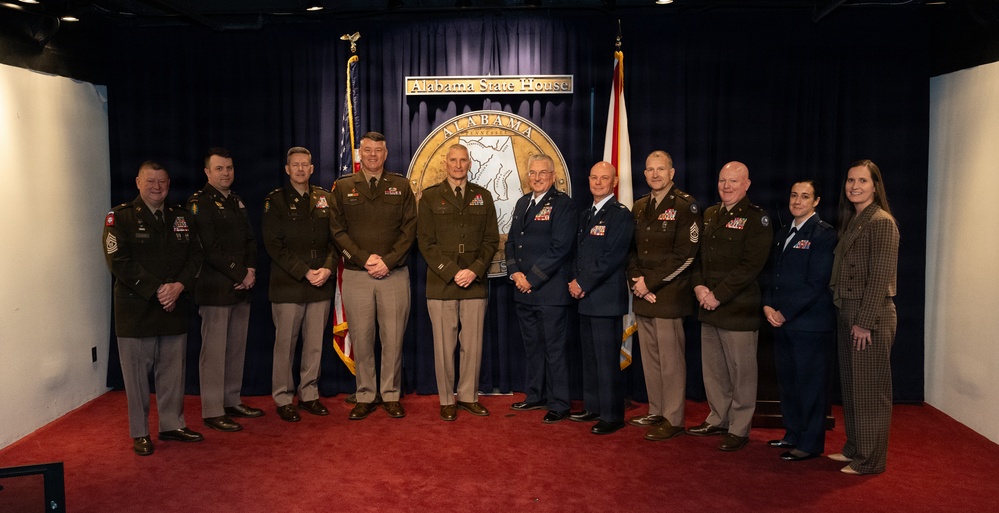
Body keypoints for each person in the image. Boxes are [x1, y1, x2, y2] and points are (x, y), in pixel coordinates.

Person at [103, 161, 204, 455]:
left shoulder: (181, 217)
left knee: (173, 372)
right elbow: (118, 260)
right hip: (137, 310)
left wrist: (179, 286)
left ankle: (172, 424)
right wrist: (157, 289)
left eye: (162, 182)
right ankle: (140, 432)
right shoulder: (119, 218)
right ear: (138, 182)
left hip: (174, 305)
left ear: (169, 184)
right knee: (136, 377)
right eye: (150, 181)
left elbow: (196, 256)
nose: (157, 187)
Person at [330, 131, 417, 420]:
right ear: (359, 154)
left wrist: (388, 261)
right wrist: (364, 258)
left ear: (386, 153)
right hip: (357, 275)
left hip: (393, 274)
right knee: (362, 338)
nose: (372, 155)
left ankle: (391, 394)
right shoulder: (343, 187)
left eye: (378, 150)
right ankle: (366, 394)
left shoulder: (401, 186)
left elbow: (409, 231)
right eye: (367, 150)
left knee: (393, 339)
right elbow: (337, 231)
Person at [688, 161, 772, 451]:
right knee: (713, 370)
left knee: (741, 372)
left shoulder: (756, 218)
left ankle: (739, 427)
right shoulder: (710, 214)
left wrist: (717, 295)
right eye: (723, 180)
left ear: (746, 184)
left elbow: (751, 266)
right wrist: (699, 287)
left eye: (733, 181)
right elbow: (697, 256)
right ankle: (718, 417)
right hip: (707, 304)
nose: (726, 186)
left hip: (737, 308)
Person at [417, 143, 499, 421]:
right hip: (441, 282)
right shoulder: (429, 198)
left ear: (469, 163)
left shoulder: (483, 196)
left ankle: (468, 396)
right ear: (445, 163)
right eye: (453, 160)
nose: (458, 165)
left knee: (472, 345)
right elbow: (425, 243)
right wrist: (453, 271)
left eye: (463, 160)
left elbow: (490, 241)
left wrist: (474, 270)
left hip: (475, 282)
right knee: (443, 345)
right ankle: (446, 399)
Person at [828, 159, 899, 475]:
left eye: (862, 181)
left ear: (875, 186)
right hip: (848, 312)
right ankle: (855, 449)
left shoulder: (881, 222)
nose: (854, 186)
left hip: (869, 317)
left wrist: (864, 322)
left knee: (871, 392)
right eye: (850, 180)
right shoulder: (856, 219)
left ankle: (871, 461)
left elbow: (880, 277)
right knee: (853, 388)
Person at [187, 147, 263, 433]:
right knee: (214, 354)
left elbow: (250, 241)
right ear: (207, 172)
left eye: (229, 168)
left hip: (242, 287)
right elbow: (209, 248)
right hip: (215, 289)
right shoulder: (199, 203)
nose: (226, 173)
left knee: (235, 350)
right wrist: (240, 272)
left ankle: (232, 400)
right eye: (219, 169)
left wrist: (251, 271)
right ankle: (212, 410)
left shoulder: (237, 201)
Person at [627, 151, 701, 441]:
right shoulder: (640, 206)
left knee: (671, 361)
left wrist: (650, 284)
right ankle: (656, 410)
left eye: (661, 169)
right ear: (644, 174)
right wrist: (636, 281)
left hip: (668, 294)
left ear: (672, 173)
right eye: (650, 170)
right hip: (642, 293)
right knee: (651, 358)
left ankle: (673, 418)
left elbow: (687, 255)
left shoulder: (686, 206)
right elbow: (630, 249)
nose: (655, 174)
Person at [761, 180, 837, 461]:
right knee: (789, 384)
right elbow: (772, 273)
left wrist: (785, 312)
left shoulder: (824, 234)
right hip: (781, 321)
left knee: (810, 386)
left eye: (805, 196)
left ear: (816, 201)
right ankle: (792, 433)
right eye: (794, 195)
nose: (797, 201)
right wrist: (768, 304)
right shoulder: (783, 233)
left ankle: (811, 443)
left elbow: (817, 282)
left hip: (809, 324)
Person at [262, 147, 336, 423]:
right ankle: (283, 397)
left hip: (320, 284)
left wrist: (327, 269)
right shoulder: (276, 201)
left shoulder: (324, 198)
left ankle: (309, 395)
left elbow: (334, 240)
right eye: (296, 165)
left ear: (312, 168)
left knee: (315, 345)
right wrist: (305, 272)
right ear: (287, 169)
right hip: (289, 285)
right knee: (286, 346)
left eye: (305, 165)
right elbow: (274, 246)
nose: (301, 169)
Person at [505, 154, 577, 423]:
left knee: (554, 349)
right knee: (532, 346)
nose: (536, 178)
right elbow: (511, 242)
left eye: (542, 173)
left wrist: (531, 279)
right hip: (523, 291)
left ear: (553, 174)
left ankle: (559, 403)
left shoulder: (563, 205)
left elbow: (560, 249)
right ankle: (535, 395)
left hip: (549, 292)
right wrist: (514, 272)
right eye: (532, 173)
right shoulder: (523, 203)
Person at [568, 161, 634, 435]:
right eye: (594, 177)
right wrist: (575, 281)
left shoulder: (620, 214)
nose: (597, 182)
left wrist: (582, 282)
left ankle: (612, 415)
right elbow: (578, 254)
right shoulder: (585, 215)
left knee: (607, 360)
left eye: (604, 178)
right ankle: (594, 406)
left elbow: (613, 257)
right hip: (585, 298)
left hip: (605, 298)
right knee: (591, 358)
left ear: (614, 181)